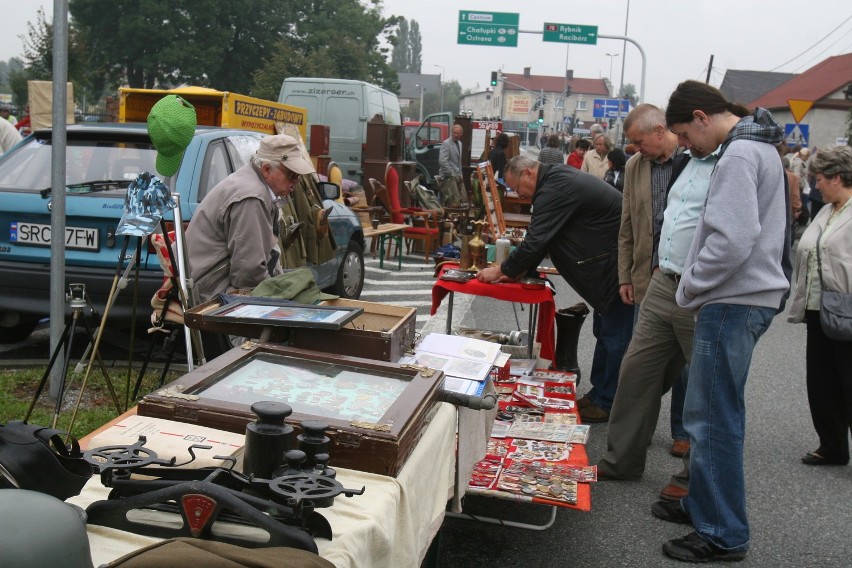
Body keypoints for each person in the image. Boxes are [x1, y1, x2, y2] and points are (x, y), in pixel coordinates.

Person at [652, 80, 790, 563]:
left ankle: (723, 533)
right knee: (713, 414)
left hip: (732, 300)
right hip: (746, 298)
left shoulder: (737, 156)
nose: (685, 146)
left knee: (711, 420)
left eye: (685, 136)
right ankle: (704, 506)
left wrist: (690, 286)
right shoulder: (759, 146)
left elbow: (732, 240)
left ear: (701, 117)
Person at [476, 156, 633, 423]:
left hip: (614, 269)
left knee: (615, 337)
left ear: (528, 173)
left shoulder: (554, 187)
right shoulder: (554, 180)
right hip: (608, 266)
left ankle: (607, 401)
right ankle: (600, 396)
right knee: (605, 332)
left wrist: (504, 270)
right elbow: (544, 237)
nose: (519, 195)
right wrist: (520, 268)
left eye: (518, 187)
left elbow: (537, 239)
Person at [598, 104, 703, 483]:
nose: (634, 149)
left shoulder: (698, 160)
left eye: (639, 142)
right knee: (638, 371)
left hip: (694, 284)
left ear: (661, 131)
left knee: (694, 373)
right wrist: (626, 275)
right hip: (653, 280)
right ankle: (622, 459)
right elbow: (627, 225)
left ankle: (685, 439)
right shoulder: (635, 167)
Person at [186, 134, 315, 302]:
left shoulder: (258, 186)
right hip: (211, 288)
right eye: (292, 175)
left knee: (303, 283)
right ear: (267, 169)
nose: (296, 181)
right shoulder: (253, 197)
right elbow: (248, 272)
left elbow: (259, 260)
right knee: (302, 299)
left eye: (298, 176)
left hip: (214, 278)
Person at [787, 144, 852, 467]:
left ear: (837, 178)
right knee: (822, 382)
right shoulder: (827, 211)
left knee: (848, 381)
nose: (816, 186)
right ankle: (833, 446)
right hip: (818, 309)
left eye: (820, 180)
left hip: (847, 308)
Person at [438, 123, 465, 206]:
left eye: (458, 133)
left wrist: (460, 174)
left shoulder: (460, 144)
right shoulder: (446, 143)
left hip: (457, 176)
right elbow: (443, 161)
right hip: (447, 177)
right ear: (451, 132)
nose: (456, 135)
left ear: (461, 134)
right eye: (454, 133)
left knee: (461, 199)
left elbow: (458, 162)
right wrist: (452, 174)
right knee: (450, 200)